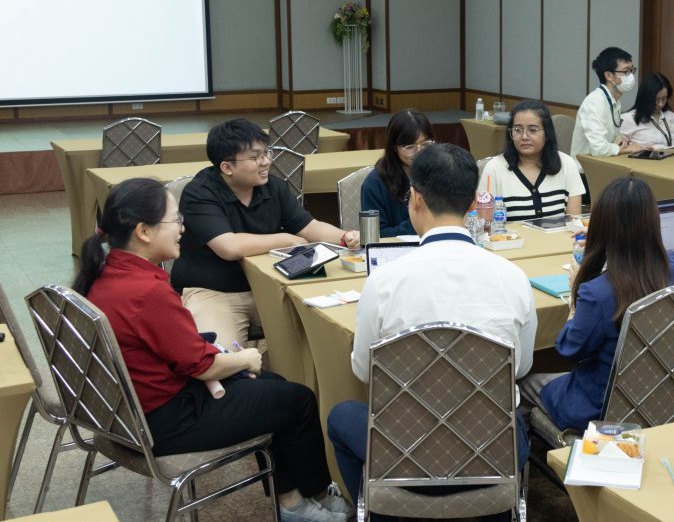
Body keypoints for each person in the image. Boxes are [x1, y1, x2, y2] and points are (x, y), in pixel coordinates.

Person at [75, 178, 350, 522]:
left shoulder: (108, 273)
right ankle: (314, 494)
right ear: (144, 231)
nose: (182, 229)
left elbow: (176, 350)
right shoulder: (147, 291)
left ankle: (292, 500)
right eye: (175, 220)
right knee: (299, 400)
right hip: (167, 422)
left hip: (131, 415)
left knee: (275, 388)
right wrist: (246, 357)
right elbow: (204, 367)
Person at [327, 144, 537, 513]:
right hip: (493, 451)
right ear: (472, 202)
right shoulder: (514, 277)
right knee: (517, 418)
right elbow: (520, 368)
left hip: (402, 452)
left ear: (415, 199)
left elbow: (364, 371)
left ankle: (384, 511)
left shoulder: (384, 281)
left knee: (341, 417)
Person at [520, 177, 674, 433]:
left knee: (523, 384)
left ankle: (544, 455)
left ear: (601, 226)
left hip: (604, 408)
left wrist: (574, 300)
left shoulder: (597, 293)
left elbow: (569, 349)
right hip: (673, 395)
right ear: (654, 221)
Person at [171, 118, 358, 347]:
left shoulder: (274, 187)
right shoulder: (199, 193)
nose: (266, 161)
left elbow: (310, 227)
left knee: (322, 331)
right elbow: (229, 247)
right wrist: (286, 239)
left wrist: (344, 237)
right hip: (213, 292)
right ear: (227, 167)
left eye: (266, 153)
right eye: (255, 157)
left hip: (269, 286)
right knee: (222, 357)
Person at [478, 100, 585, 221]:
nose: (524, 136)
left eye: (533, 130)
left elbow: (574, 222)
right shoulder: (494, 169)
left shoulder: (567, 164)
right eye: (517, 130)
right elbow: (485, 224)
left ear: (547, 133)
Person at [360, 109, 435, 237]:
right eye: (410, 147)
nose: (419, 152)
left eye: (426, 144)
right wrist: (420, 222)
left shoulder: (441, 173)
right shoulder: (374, 183)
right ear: (394, 147)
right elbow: (373, 235)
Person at [570, 46, 652, 162]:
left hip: (606, 162)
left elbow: (612, 138)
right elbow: (599, 149)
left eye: (632, 70)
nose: (631, 76)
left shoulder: (614, 100)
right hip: (586, 169)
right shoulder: (594, 102)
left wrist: (622, 140)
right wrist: (630, 149)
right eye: (625, 71)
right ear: (609, 76)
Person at [620, 72, 674, 149]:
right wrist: (635, 147)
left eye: (664, 99)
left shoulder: (670, 116)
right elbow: (619, 147)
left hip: (670, 156)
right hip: (642, 156)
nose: (660, 104)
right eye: (656, 99)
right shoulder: (628, 119)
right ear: (646, 97)